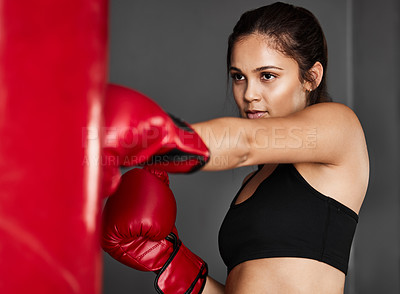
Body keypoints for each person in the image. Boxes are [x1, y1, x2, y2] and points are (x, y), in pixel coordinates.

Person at [102, 2, 369, 294]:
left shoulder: (341, 128)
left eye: (267, 76)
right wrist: (169, 261)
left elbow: (246, 142)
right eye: (238, 76)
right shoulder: (252, 181)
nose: (249, 94)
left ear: (311, 77)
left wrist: (143, 141)